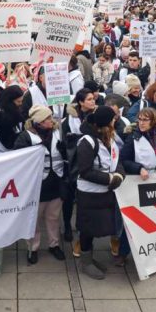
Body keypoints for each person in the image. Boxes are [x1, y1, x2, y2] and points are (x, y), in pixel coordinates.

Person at [118, 108, 156, 266]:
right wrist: (138, 168)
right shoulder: (133, 138)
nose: (142, 123)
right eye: (140, 119)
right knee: (135, 219)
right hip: (140, 183)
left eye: (145, 120)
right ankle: (123, 253)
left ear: (153, 122)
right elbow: (123, 160)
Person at [73, 106, 124, 280]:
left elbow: (116, 161)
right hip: (89, 194)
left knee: (97, 227)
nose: (115, 121)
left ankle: (91, 259)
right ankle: (86, 262)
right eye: (112, 119)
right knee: (87, 229)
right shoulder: (87, 142)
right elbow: (85, 171)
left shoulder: (110, 138)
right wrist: (110, 179)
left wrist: (119, 175)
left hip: (105, 193)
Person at [13, 105, 67, 263]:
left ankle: (54, 244)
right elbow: (18, 159)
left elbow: (66, 155)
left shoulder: (58, 132)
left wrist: (66, 150)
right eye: (47, 118)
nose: (51, 120)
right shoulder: (26, 137)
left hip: (56, 181)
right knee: (34, 218)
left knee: (53, 217)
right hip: (37, 185)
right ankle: (33, 247)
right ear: (38, 122)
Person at [61, 88, 97, 250]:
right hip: (73, 164)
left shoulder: (96, 115)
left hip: (90, 162)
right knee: (69, 198)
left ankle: (82, 226)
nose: (93, 101)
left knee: (84, 197)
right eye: (89, 99)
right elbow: (65, 142)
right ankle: (67, 225)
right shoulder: (69, 120)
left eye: (93, 98)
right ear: (81, 102)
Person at [0, 85, 25, 155]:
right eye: (18, 101)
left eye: (21, 101)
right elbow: (9, 142)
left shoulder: (10, 110)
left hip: (7, 153)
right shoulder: (1, 115)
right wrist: (25, 135)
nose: (21, 104)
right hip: (1, 153)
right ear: (10, 101)